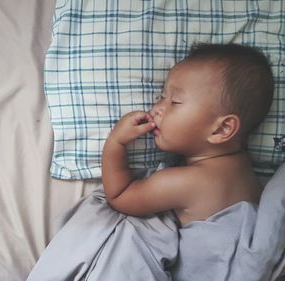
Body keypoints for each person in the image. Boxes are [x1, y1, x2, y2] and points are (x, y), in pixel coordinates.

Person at [102, 43, 274, 226]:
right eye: (162, 96)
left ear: (222, 129)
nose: (157, 108)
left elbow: (120, 196)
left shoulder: (183, 182)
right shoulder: (246, 171)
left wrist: (116, 143)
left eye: (175, 101)